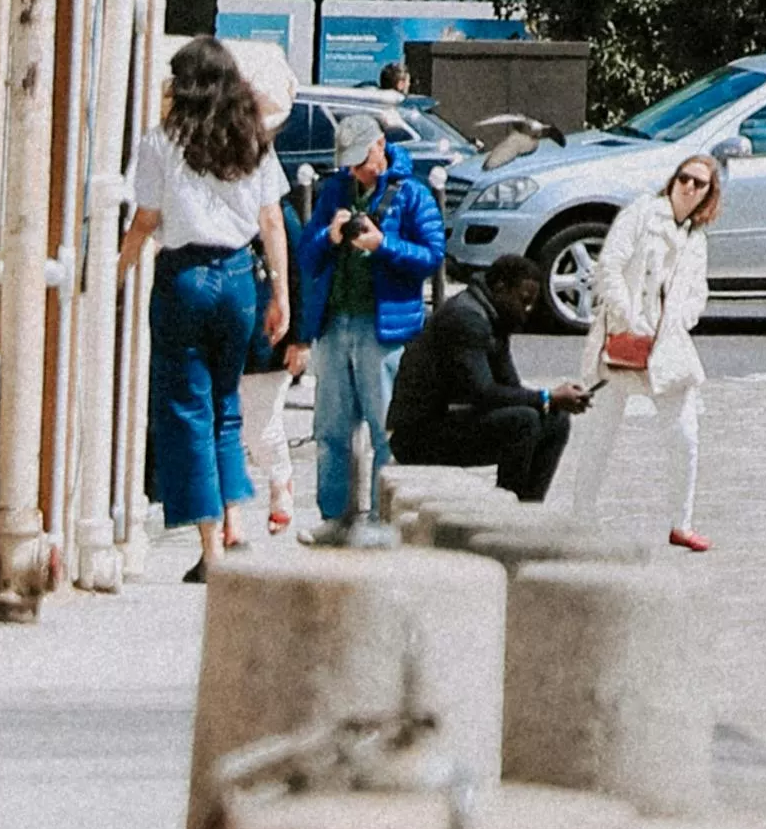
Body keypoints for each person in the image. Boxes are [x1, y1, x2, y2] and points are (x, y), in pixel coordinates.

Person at [117, 38, 294, 572]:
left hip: (186, 276)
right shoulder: (253, 140)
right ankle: (234, 521)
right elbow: (271, 221)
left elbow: (146, 220)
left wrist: (116, 268)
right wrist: (281, 294)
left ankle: (211, 547)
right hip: (241, 277)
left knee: (186, 409)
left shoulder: (160, 142)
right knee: (227, 407)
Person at [284, 105, 443, 547]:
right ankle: (335, 518)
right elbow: (307, 256)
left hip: (384, 328)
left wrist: (383, 244)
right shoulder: (335, 191)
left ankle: (381, 519)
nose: (356, 170)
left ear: (380, 147)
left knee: (385, 427)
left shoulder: (411, 193)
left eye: (361, 160)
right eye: (349, 162)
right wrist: (331, 236)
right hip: (335, 323)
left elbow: (432, 256)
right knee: (331, 429)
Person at [559, 148, 719, 549]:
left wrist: (683, 319)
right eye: (684, 178)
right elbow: (610, 264)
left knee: (684, 435)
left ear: (707, 194)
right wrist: (627, 317)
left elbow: (698, 290)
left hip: (667, 348)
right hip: (623, 341)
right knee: (601, 431)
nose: (688, 187)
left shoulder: (696, 239)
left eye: (698, 183)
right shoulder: (642, 213)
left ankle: (681, 522)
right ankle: (581, 515)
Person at [386, 264, 576, 506]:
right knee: (523, 421)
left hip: (446, 423)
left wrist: (549, 402)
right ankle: (505, 509)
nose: (526, 310)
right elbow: (482, 393)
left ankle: (529, 507)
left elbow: (510, 387)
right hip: (416, 437)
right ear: (500, 288)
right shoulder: (466, 318)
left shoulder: (496, 316)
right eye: (523, 300)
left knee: (555, 419)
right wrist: (547, 396)